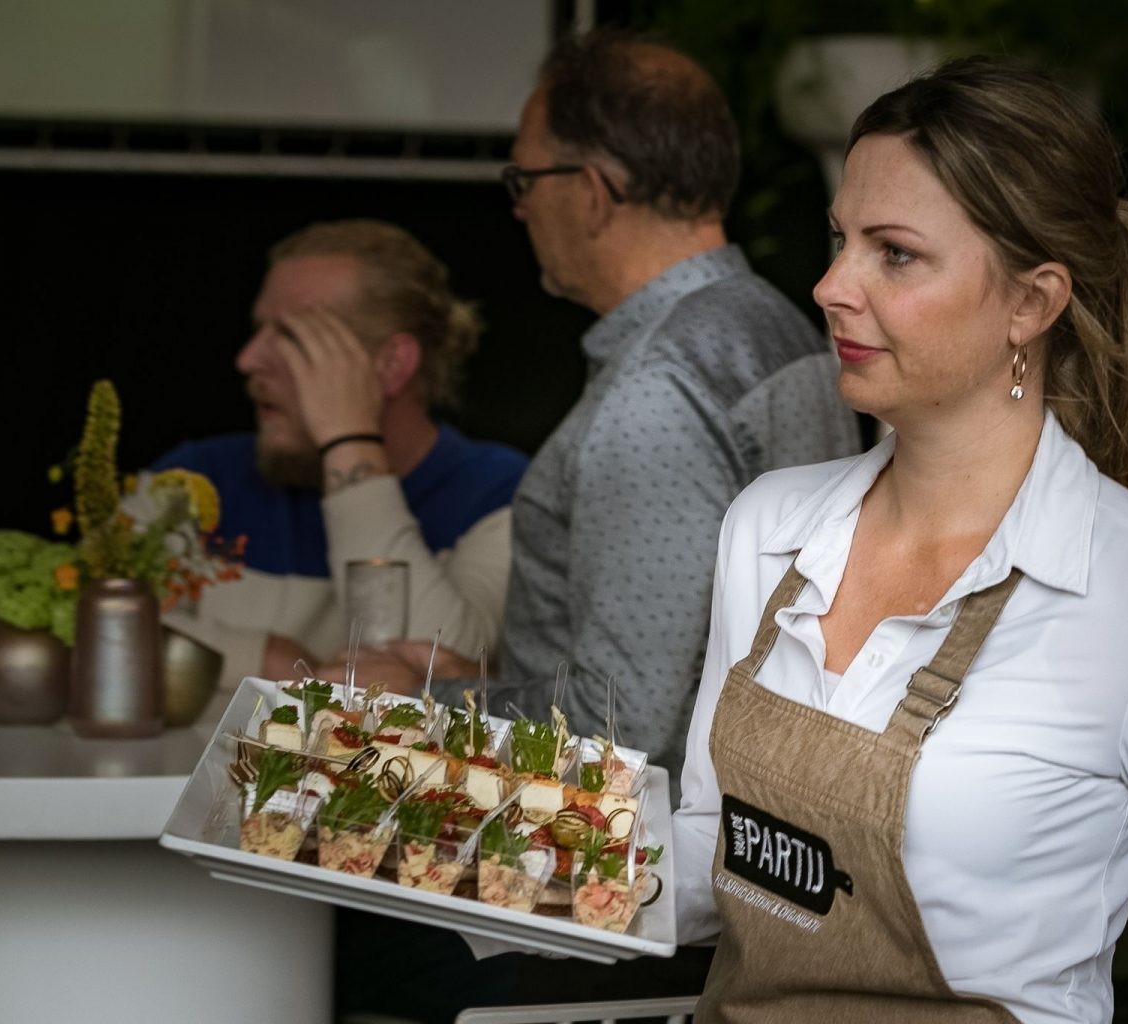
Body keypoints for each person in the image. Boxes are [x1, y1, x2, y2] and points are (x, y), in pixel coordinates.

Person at [671, 59, 1128, 1022]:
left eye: (895, 253)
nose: (831, 285)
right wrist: (487, 851)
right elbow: (711, 856)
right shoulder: (769, 528)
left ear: (1031, 303)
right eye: (842, 240)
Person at [332, 31, 858, 1024]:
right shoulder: (775, 326)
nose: (519, 203)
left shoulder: (658, 390)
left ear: (595, 189)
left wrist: (424, 696)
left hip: (598, 900)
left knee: (331, 951)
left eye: (525, 179)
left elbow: (623, 725)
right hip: (740, 881)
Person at [156, 220, 528, 694]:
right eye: (258, 330)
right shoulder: (195, 481)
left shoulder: (500, 495)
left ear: (392, 364)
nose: (248, 359)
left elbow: (427, 676)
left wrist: (349, 439)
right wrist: (264, 659)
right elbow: (79, 627)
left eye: (291, 336)